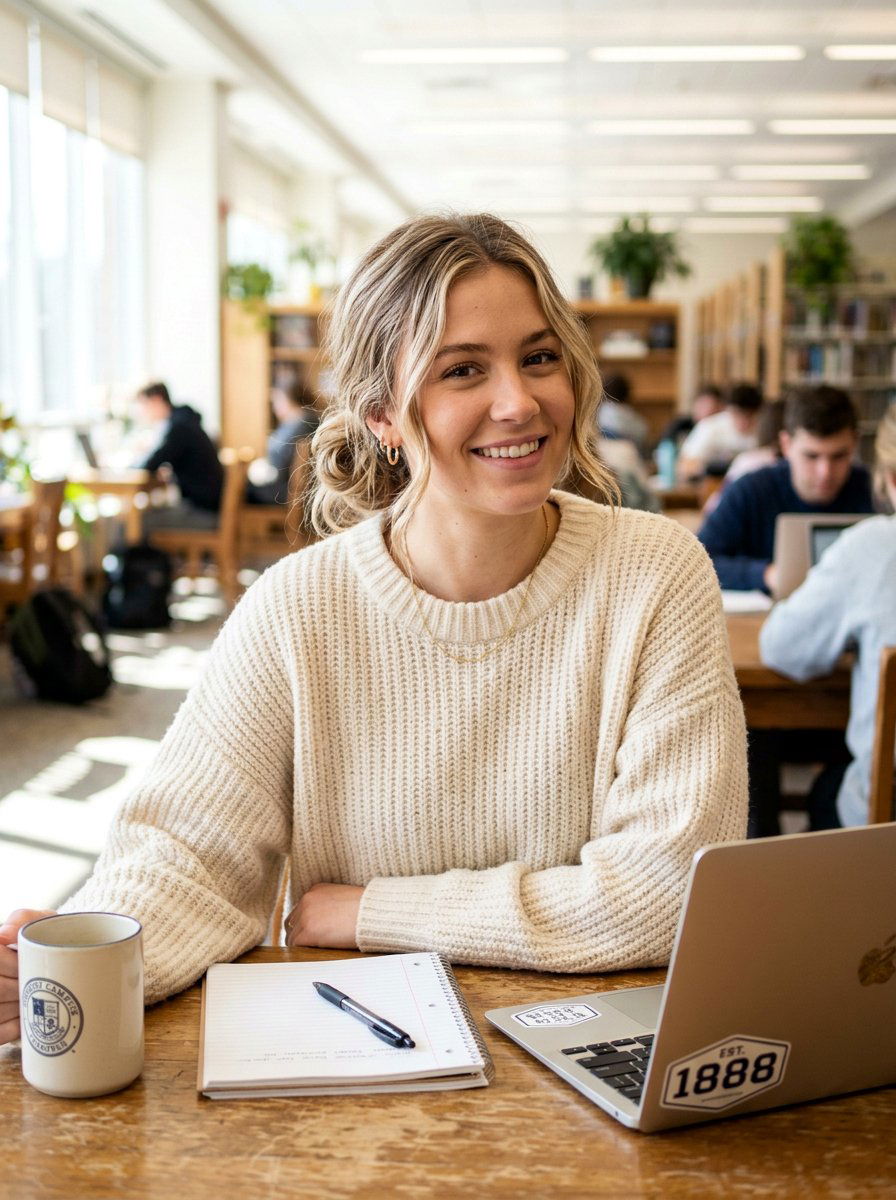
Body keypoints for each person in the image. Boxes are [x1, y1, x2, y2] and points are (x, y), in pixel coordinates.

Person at [0, 213, 747, 1040]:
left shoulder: (657, 572)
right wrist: (87, 953)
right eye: (462, 370)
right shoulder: (298, 606)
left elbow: (667, 894)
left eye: (539, 358)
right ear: (382, 414)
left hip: (591, 1053)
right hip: (360, 1053)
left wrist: (369, 912)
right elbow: (187, 854)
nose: (519, 401)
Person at [759, 404, 896, 830]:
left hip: (885, 821)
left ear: (890, 478)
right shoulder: (755, 487)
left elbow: (781, 648)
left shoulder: (872, 546)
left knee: (826, 791)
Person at [698, 385, 874, 594]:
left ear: (855, 444)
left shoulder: (874, 491)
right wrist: (766, 574)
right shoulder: (750, 491)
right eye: (811, 456)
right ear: (786, 445)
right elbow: (699, 561)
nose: (825, 472)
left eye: (839, 456)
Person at [135, 382, 224, 531]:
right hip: (208, 506)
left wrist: (128, 467)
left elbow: (149, 464)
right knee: (147, 513)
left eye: (143, 406)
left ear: (156, 400)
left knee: (136, 522)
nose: (142, 413)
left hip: (202, 511)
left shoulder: (178, 427)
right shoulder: (184, 420)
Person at [246, 383, 320, 506]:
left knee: (242, 489)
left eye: (276, 400)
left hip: (287, 490)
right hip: (295, 488)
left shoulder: (299, 424)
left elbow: (279, 467)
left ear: (287, 398)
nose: (274, 407)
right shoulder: (306, 420)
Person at [676, 382, 762, 483]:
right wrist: (716, 468)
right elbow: (685, 466)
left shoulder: (764, 429)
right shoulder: (710, 426)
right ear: (728, 410)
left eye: (749, 416)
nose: (743, 422)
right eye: (737, 415)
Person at [597, 373, 650, 460]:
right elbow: (643, 437)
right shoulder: (637, 422)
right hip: (628, 460)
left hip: (601, 458)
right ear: (628, 394)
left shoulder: (598, 415)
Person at [658, 382, 724, 451]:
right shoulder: (679, 426)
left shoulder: (721, 432)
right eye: (702, 406)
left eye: (711, 407)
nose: (706, 411)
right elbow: (665, 450)